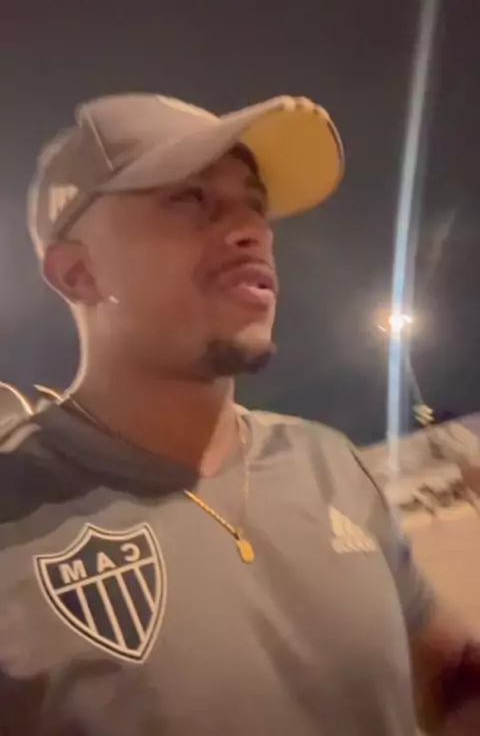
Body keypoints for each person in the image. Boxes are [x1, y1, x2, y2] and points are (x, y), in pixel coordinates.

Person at [1, 91, 479, 736]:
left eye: (254, 203)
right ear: (78, 273)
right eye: (190, 199)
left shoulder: (325, 461)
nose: (254, 230)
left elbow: (449, 676)